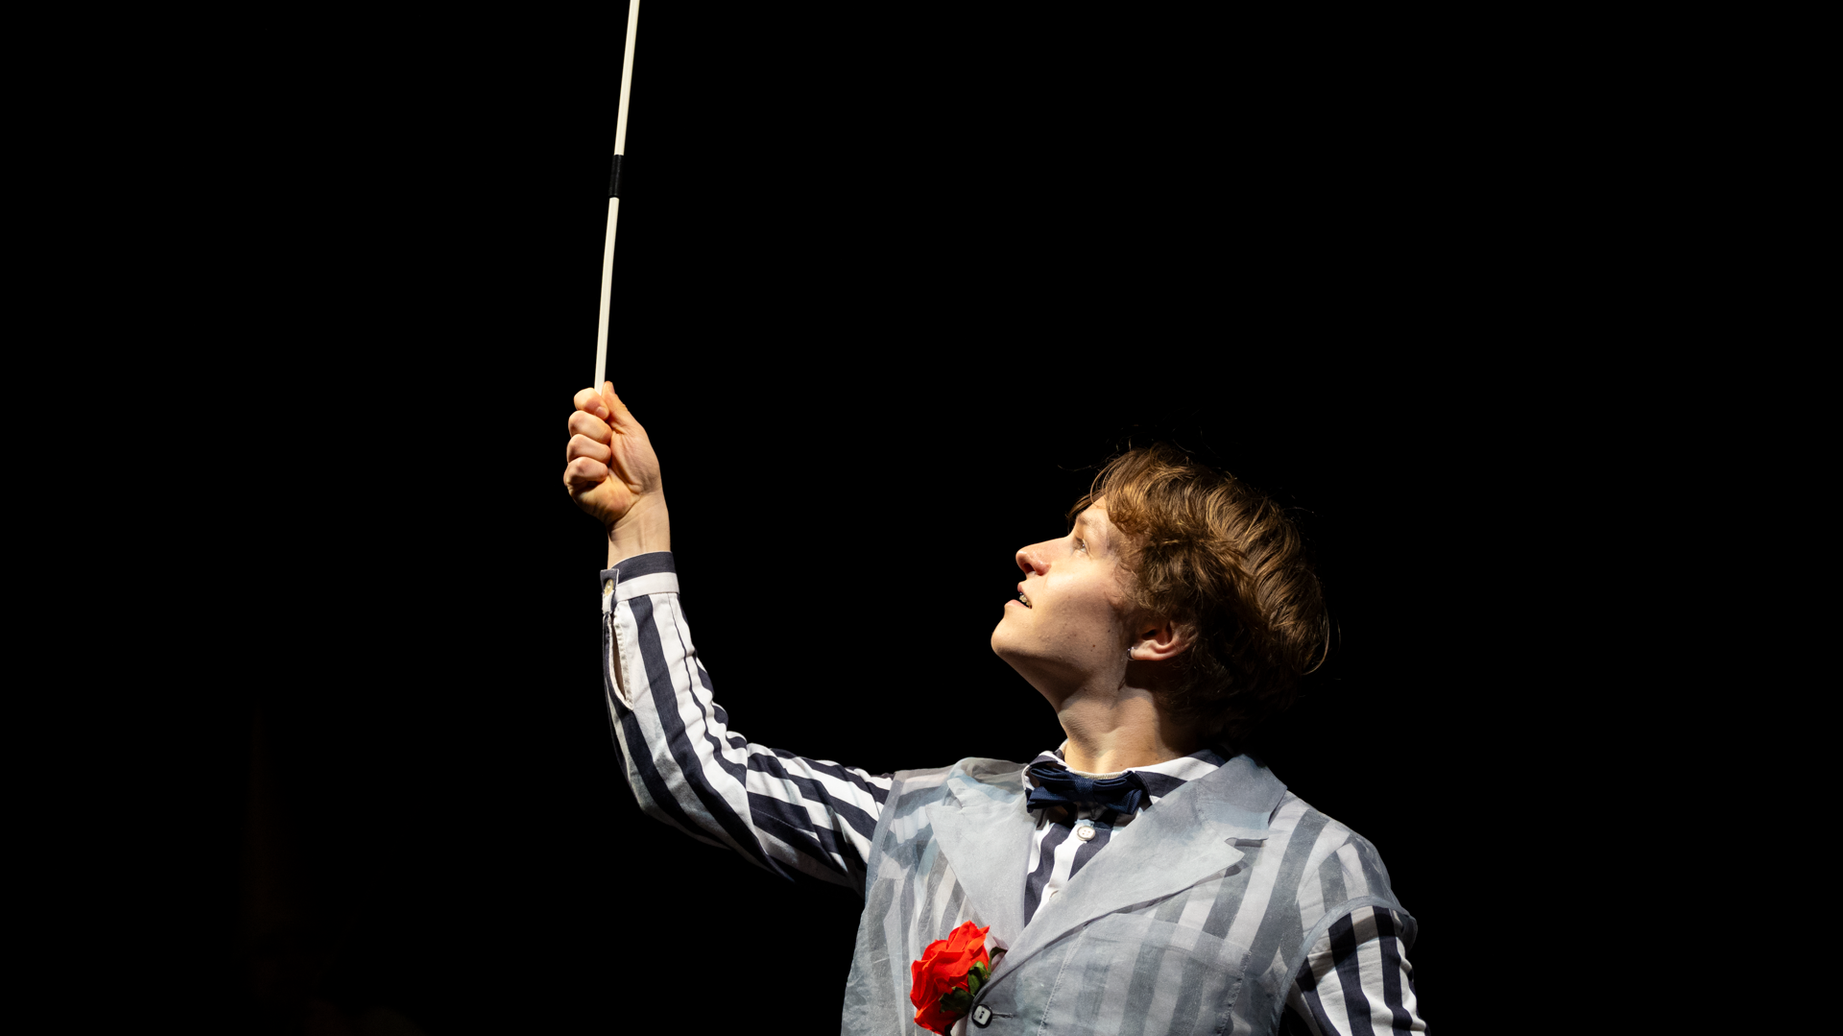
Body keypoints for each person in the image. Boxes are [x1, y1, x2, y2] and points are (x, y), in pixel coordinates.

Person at [566, 382, 1421, 1035]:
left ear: (1161, 631)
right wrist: (639, 526)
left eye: (1081, 543)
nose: (1031, 553)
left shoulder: (1312, 868)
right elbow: (694, 768)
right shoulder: (926, 815)